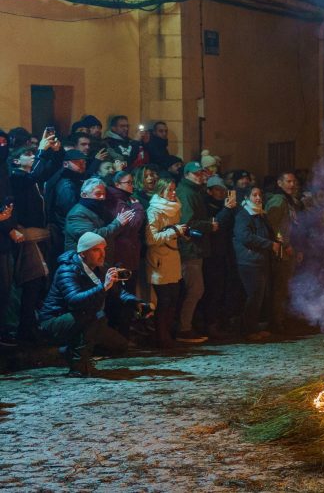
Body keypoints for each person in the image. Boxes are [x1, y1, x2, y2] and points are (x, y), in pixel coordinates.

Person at [38, 232, 136, 377]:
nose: (102, 254)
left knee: (119, 345)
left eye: (104, 249)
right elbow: (74, 300)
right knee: (92, 319)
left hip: (85, 318)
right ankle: (78, 368)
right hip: (55, 319)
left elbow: (118, 292)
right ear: (83, 253)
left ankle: (68, 350)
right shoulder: (67, 270)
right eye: (96, 250)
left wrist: (137, 303)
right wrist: (103, 287)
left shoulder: (100, 268)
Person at [6, 133, 62, 344]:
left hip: (38, 233)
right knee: (33, 279)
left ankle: (31, 326)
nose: (32, 156)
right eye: (27, 154)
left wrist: (56, 152)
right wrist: (41, 151)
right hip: (27, 235)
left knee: (39, 281)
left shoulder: (33, 179)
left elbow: (51, 170)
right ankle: (25, 329)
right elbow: (36, 175)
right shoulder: (17, 177)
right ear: (16, 161)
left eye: (32, 154)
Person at [145, 178, 188, 348]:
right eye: (170, 190)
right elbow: (151, 238)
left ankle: (168, 335)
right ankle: (162, 338)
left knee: (174, 299)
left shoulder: (175, 207)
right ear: (161, 192)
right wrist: (174, 231)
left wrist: (182, 233)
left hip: (173, 257)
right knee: (164, 301)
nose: (173, 193)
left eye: (174, 189)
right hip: (160, 260)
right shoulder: (154, 211)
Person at [175, 161, 214, 343]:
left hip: (196, 248)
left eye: (201, 173)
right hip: (190, 249)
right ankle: (184, 328)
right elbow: (188, 223)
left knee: (195, 289)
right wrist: (210, 226)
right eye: (196, 174)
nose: (200, 176)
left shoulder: (194, 191)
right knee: (195, 289)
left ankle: (187, 325)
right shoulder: (188, 193)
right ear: (187, 175)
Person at [234, 187, 281, 340]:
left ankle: (253, 326)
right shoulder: (244, 215)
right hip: (249, 261)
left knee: (259, 296)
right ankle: (247, 330)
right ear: (247, 198)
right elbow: (245, 236)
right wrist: (269, 244)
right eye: (254, 195)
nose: (258, 198)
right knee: (253, 295)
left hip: (260, 260)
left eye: (260, 194)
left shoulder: (260, 214)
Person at [265, 171, 306, 333]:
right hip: (281, 251)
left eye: (293, 181)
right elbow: (273, 226)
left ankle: (284, 319)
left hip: (291, 249)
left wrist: (299, 247)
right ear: (279, 183)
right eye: (288, 181)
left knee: (287, 286)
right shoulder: (278, 200)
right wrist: (285, 244)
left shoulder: (291, 201)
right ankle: (276, 322)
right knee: (280, 286)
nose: (292, 184)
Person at [201, 175, 239, 338]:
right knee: (213, 290)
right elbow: (217, 226)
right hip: (212, 253)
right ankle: (210, 324)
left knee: (225, 289)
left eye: (223, 189)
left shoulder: (225, 205)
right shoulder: (207, 206)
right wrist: (227, 209)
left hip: (226, 252)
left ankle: (224, 321)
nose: (221, 192)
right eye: (217, 189)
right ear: (209, 191)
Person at [63, 178, 133, 255]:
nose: (103, 197)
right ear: (84, 195)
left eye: (104, 194)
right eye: (98, 194)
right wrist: (118, 223)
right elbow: (93, 238)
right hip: (83, 262)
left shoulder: (98, 208)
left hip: (97, 259)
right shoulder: (76, 214)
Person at [43, 149, 89, 265]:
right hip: (65, 232)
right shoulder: (66, 185)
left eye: (83, 162)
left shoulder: (73, 179)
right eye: (77, 162)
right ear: (65, 164)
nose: (82, 165)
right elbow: (71, 211)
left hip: (66, 230)